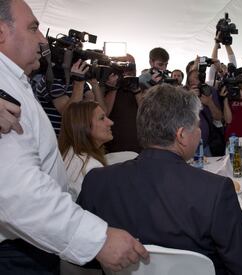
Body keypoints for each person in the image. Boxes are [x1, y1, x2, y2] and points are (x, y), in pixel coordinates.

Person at [0, 0, 147, 273]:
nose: (43, 39)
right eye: (33, 28)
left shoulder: (14, 82)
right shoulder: (3, 88)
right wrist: (97, 239)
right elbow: (18, 191)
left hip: (35, 238)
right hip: (16, 249)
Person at [78, 84, 242, 275]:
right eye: (196, 124)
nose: (200, 131)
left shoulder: (96, 181)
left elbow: (84, 254)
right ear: (182, 135)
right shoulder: (215, 191)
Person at [59, 101, 113, 201]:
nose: (110, 122)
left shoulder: (66, 153)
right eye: (102, 118)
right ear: (84, 126)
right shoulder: (93, 168)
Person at [104, 54, 142, 153]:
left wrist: (137, 91)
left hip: (138, 148)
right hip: (113, 148)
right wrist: (114, 87)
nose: (130, 68)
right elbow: (105, 113)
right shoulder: (107, 86)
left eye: (132, 65)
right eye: (125, 65)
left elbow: (147, 113)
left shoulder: (141, 86)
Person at [186, 62, 224, 156]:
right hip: (185, 145)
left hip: (206, 145)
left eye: (199, 75)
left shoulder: (210, 91)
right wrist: (190, 98)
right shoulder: (182, 92)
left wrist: (209, 102)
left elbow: (219, 118)